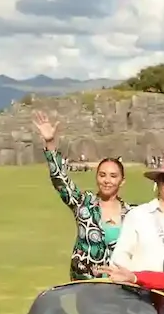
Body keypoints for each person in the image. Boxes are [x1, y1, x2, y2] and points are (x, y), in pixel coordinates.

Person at [30, 111, 133, 281]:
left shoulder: (132, 214)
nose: (107, 180)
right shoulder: (83, 204)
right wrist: (50, 144)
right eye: (102, 175)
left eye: (113, 176)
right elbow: (60, 180)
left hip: (119, 291)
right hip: (84, 287)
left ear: (122, 181)